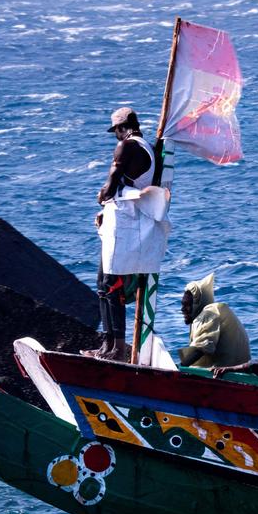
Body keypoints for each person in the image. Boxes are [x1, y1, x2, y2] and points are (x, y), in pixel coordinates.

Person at [82, 106, 157, 361]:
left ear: (120, 128)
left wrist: (101, 196)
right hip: (125, 223)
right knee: (104, 286)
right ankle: (108, 345)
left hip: (124, 226)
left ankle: (117, 348)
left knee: (112, 286)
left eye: (115, 130)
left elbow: (109, 187)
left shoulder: (127, 147)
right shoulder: (147, 147)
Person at [178, 272, 250, 369]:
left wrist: (179, 368)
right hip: (239, 371)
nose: (182, 309)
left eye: (187, 304)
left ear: (198, 303)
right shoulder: (214, 311)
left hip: (229, 375)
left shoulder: (209, 313)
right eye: (182, 304)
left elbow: (201, 348)